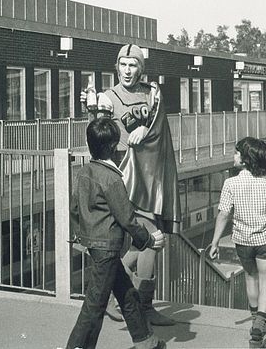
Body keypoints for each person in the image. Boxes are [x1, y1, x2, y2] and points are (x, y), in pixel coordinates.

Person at [85, 44, 181, 326]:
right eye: (123, 65)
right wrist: (92, 112)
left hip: (151, 174)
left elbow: (159, 126)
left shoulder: (152, 93)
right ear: (117, 67)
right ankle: (143, 305)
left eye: (133, 65)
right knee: (152, 239)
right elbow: (100, 137)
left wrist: (145, 129)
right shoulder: (108, 96)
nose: (128, 71)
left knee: (146, 243)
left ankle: (119, 296)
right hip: (125, 175)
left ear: (141, 68)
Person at [66, 117, 166, 349]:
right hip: (108, 247)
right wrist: (149, 240)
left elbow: (74, 209)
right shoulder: (112, 179)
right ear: (113, 147)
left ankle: (146, 342)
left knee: (127, 293)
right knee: (94, 306)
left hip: (94, 245)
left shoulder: (83, 172)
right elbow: (127, 219)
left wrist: (81, 237)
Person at [209, 137, 266, 346]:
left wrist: (215, 242)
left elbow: (223, 214)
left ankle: (255, 317)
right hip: (265, 241)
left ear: (245, 159)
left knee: (251, 278)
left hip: (242, 242)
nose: (234, 156)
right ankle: (259, 324)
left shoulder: (230, 183)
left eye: (237, 153)